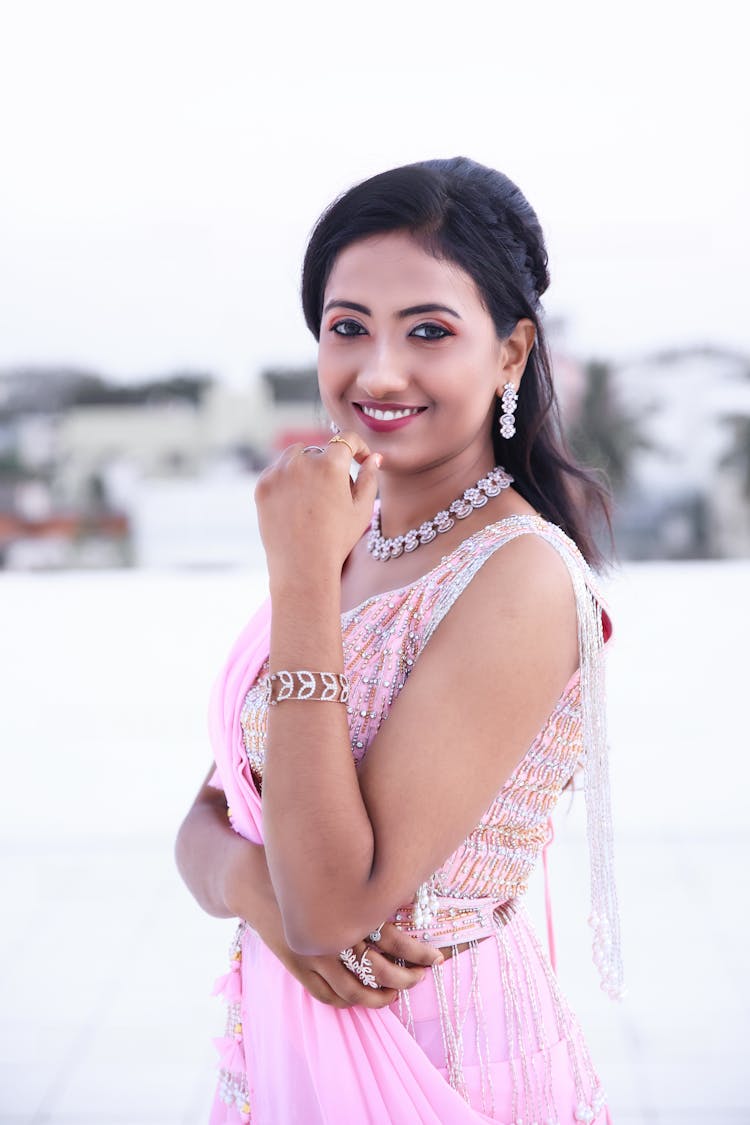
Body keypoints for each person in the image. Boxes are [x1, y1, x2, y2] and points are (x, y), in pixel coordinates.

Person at [175, 156, 624, 1125]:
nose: (378, 372)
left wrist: (299, 583)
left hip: (440, 1063)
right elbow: (208, 823)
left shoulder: (518, 576)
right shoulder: (347, 541)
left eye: (429, 330)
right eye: (348, 329)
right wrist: (254, 887)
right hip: (282, 1053)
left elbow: (333, 909)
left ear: (509, 354)